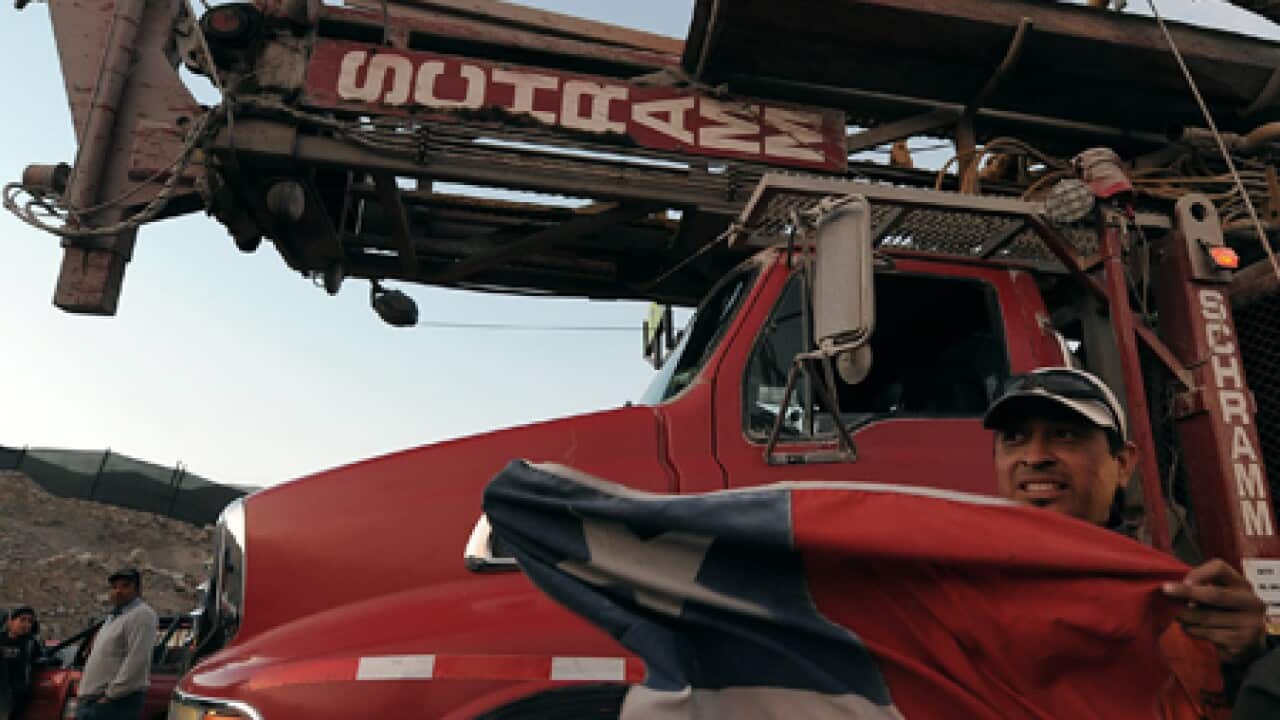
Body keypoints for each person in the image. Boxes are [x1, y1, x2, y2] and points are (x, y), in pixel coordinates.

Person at [983, 367, 1275, 716]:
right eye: (1014, 438)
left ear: (1122, 464)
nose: (1034, 457)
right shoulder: (959, 597)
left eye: (1064, 435)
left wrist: (1251, 659)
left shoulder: (1187, 606)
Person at [75, 570, 157, 720]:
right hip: (96, 703)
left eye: (125, 586)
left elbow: (137, 660)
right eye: (114, 587)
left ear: (138, 590)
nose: (118, 591)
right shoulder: (115, 617)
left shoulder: (141, 615)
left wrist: (110, 695)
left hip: (115, 704)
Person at [1, 606, 43, 720]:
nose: (26, 624)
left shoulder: (31, 644)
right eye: (22, 620)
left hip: (18, 695)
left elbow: (40, 659)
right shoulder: (1, 639)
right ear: (11, 621)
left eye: (30, 621)